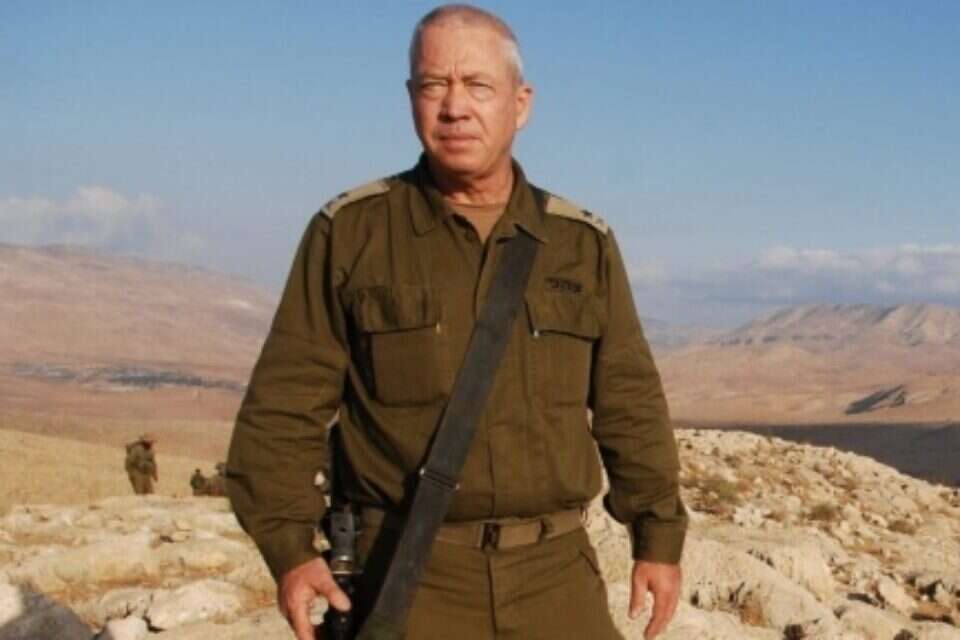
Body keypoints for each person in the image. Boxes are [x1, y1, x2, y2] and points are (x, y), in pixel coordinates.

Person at [226, 4, 687, 639]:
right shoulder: (352, 234)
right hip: (407, 576)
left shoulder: (580, 244)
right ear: (410, 98)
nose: (454, 107)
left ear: (520, 104)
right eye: (433, 85)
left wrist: (657, 535)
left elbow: (629, 402)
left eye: (477, 85)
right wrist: (289, 550)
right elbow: (285, 404)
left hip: (555, 577)